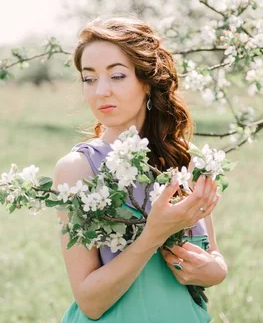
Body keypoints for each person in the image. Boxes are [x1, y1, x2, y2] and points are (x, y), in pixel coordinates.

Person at [54, 17, 228, 322]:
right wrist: (152, 236)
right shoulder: (78, 170)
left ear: (147, 81)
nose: (100, 91)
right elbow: (90, 303)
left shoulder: (182, 162)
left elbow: (212, 255)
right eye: (89, 78)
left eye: (117, 76)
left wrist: (216, 271)